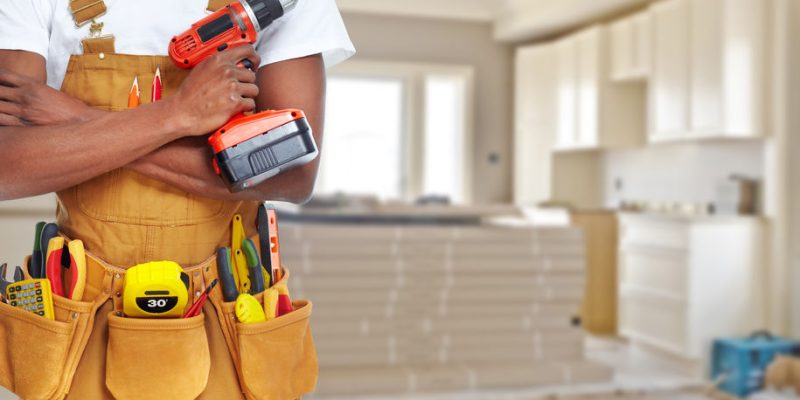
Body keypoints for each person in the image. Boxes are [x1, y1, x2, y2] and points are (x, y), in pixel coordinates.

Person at [0, 0, 354, 398]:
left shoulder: (288, 5)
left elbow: (293, 173)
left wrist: (78, 119)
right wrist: (176, 116)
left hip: (230, 312)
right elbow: (7, 167)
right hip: (82, 316)